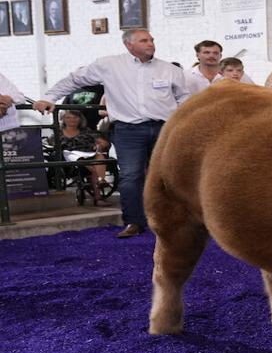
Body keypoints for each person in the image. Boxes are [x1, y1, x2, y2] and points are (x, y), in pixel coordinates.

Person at [33, 28, 190, 239]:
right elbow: (74, 80)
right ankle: (134, 221)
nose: (151, 43)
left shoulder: (170, 69)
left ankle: (169, 221)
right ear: (129, 45)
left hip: (165, 128)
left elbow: (184, 98)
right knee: (131, 176)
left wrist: (181, 124)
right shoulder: (108, 65)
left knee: (167, 176)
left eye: (152, 40)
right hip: (128, 130)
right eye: (144, 41)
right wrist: (50, 97)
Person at [57, 110, 112, 205]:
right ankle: (98, 197)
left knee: (99, 156)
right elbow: (51, 144)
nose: (72, 120)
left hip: (89, 154)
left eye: (75, 117)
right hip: (71, 157)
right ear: (63, 119)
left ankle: (101, 181)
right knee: (92, 168)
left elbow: (104, 142)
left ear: (80, 119)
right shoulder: (58, 132)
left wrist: (100, 144)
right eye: (68, 117)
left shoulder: (86, 130)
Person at [184, 40, 254, 94]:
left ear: (220, 56)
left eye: (215, 53)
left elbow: (253, 93)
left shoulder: (239, 76)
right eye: (207, 52)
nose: (211, 56)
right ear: (197, 55)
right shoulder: (186, 76)